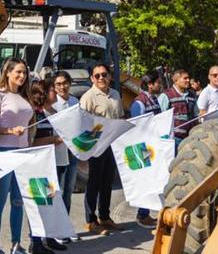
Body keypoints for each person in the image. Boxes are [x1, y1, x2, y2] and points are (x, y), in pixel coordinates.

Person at [0, 58, 34, 254]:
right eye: (18, 72)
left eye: (24, 72)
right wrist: (9, 131)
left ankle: (16, 245)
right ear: (7, 73)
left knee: (17, 201)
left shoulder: (24, 96)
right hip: (2, 151)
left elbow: (30, 123)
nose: (22, 76)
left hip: (21, 153)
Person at [81, 62, 123, 233]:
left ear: (110, 76)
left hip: (112, 144)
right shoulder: (88, 97)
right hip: (96, 145)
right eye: (97, 75)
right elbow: (82, 122)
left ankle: (104, 216)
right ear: (92, 78)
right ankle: (90, 220)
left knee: (107, 182)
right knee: (94, 182)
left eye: (104, 74)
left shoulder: (115, 95)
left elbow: (119, 117)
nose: (101, 78)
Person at [28, 77, 67, 254]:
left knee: (52, 200)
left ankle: (50, 237)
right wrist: (53, 140)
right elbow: (31, 141)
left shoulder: (53, 111)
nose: (56, 92)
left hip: (53, 162)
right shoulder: (36, 114)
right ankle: (35, 241)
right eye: (53, 89)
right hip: (39, 164)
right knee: (40, 202)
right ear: (44, 93)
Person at [130, 71, 164, 227]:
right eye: (157, 82)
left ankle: (147, 212)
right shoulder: (139, 103)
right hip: (143, 148)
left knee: (153, 181)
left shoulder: (154, 100)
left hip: (153, 146)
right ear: (150, 84)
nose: (160, 85)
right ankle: (142, 214)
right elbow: (138, 126)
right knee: (145, 182)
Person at [51, 70, 79, 216]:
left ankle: (65, 223)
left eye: (65, 83)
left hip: (72, 151)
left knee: (69, 189)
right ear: (54, 87)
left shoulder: (75, 102)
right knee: (59, 189)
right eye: (58, 84)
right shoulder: (52, 105)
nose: (62, 87)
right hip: (58, 152)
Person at [158, 68, 198, 146]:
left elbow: (196, 116)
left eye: (188, 78)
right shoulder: (166, 96)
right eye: (185, 78)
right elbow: (160, 119)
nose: (188, 80)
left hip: (190, 138)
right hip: (174, 139)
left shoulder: (192, 96)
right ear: (176, 80)